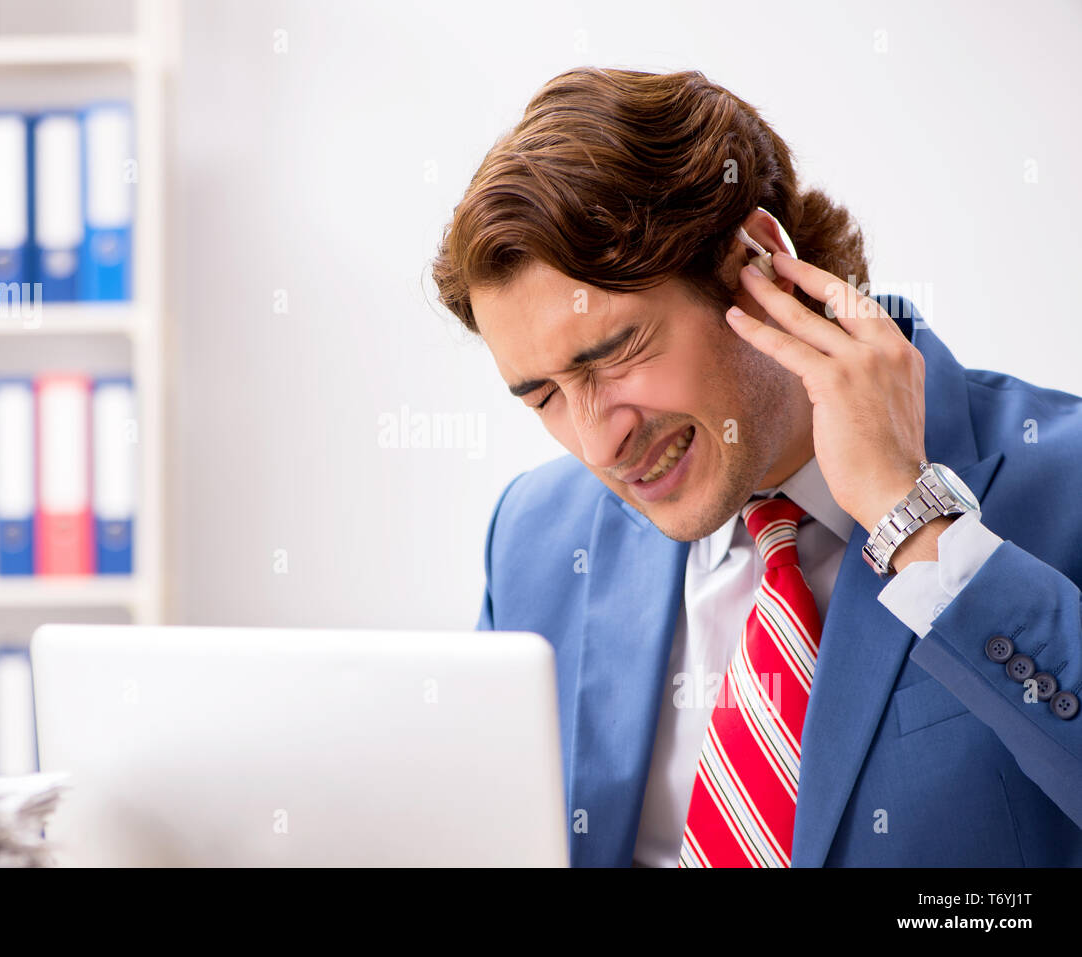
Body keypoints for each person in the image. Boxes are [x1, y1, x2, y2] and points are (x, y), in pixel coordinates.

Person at [431, 67, 1082, 867]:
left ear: (760, 259)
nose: (599, 442)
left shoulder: (1067, 481)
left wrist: (912, 515)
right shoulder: (533, 538)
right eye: (543, 397)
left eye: (616, 353)